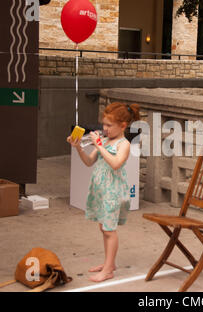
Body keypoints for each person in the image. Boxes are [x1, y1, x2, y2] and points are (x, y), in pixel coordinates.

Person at [67, 102, 140, 282]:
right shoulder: (106, 140)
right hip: (101, 190)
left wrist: (99, 146)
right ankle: (110, 263)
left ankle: (108, 269)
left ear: (122, 126)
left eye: (109, 125)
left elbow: (116, 164)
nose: (104, 128)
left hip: (113, 192)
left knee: (109, 230)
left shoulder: (124, 144)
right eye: (104, 124)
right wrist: (78, 147)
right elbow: (89, 162)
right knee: (103, 227)